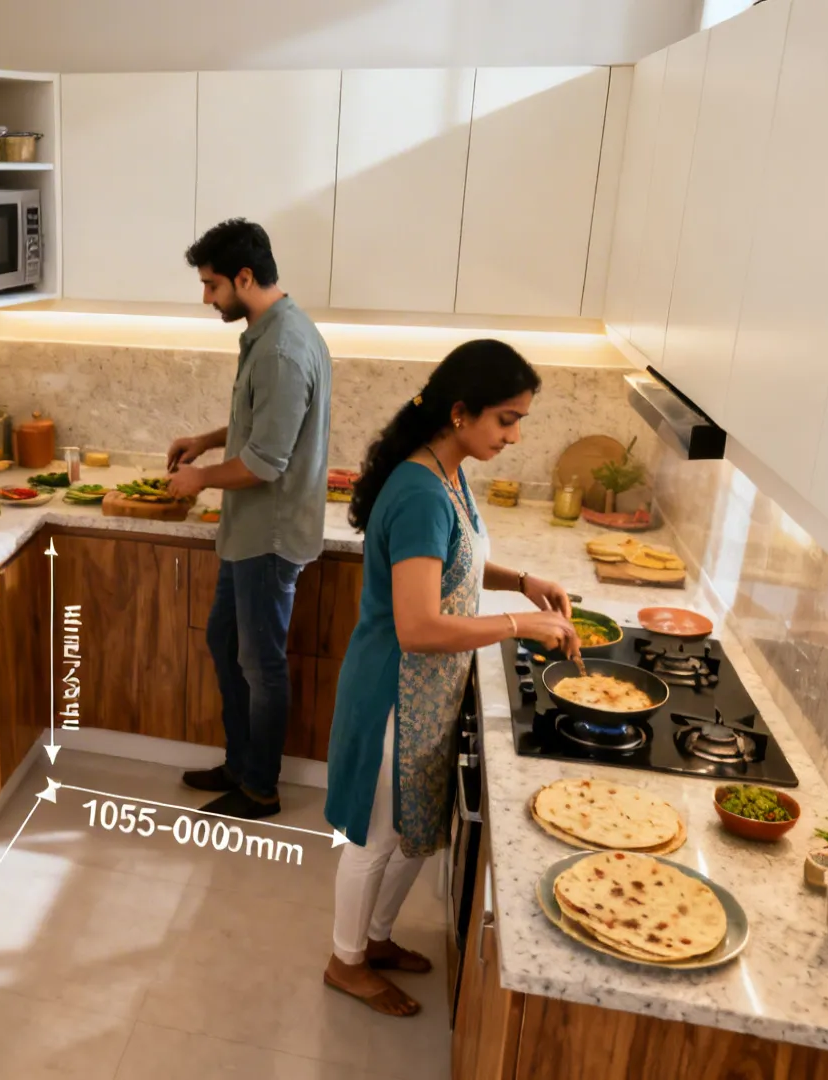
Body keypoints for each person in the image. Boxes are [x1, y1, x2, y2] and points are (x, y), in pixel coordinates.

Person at [321, 340, 579, 1017]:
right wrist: (522, 625)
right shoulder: (418, 492)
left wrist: (523, 581)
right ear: (461, 413)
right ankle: (344, 961)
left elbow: (455, 560)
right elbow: (419, 626)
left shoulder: (449, 471)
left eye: (520, 419)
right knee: (376, 840)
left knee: (414, 832)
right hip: (392, 692)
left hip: (428, 691)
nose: (515, 435)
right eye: (505, 419)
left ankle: (375, 940)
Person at [166, 218, 332, 821]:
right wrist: (207, 440)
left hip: (270, 535)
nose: (207, 297)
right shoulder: (269, 332)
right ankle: (239, 762)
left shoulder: (284, 349)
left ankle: (260, 786)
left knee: (261, 665)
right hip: (249, 532)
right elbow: (257, 429)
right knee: (224, 641)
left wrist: (199, 479)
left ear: (244, 276)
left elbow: (265, 461)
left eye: (212, 285)